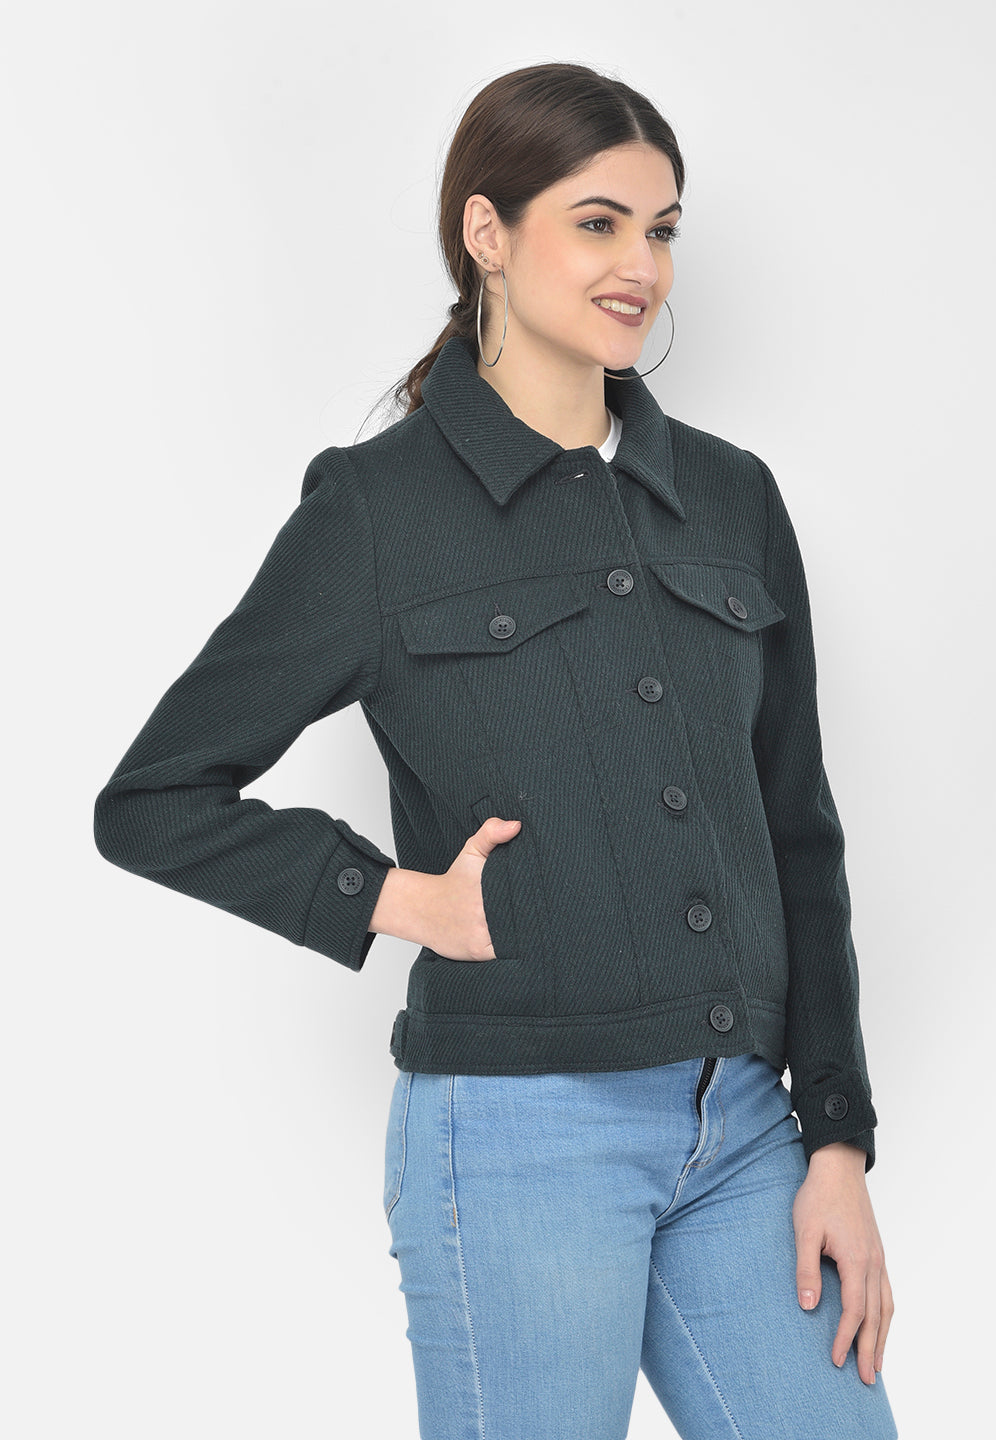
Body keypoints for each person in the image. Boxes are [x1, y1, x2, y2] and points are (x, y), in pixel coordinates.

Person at [94, 61, 899, 1440]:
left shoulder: (733, 499)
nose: (641, 266)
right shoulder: (377, 511)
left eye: (661, 229)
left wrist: (836, 1136)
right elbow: (154, 798)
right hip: (523, 1140)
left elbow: (797, 831)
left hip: (746, 1136)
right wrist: (391, 898)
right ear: (488, 233)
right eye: (597, 223)